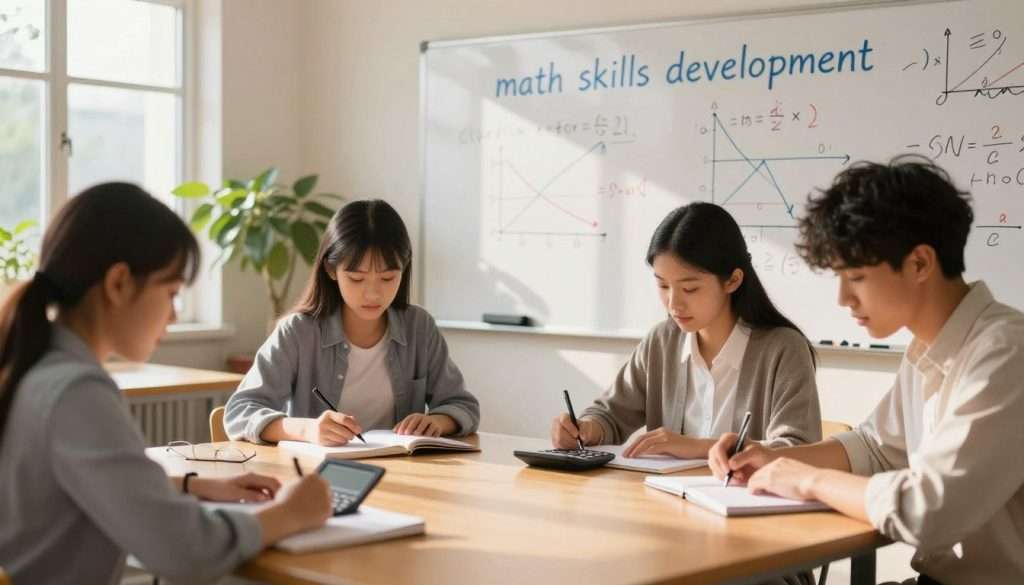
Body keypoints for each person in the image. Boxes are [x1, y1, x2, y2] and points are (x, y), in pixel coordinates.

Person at [709, 156, 1024, 585]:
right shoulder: (928, 348)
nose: (843, 299)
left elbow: (931, 511)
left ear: (919, 263)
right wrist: (774, 458)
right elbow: (875, 447)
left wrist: (808, 481)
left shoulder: (1006, 352)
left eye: (855, 277)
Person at [0, 183, 332, 585]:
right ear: (118, 283)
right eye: (172, 293)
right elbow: (187, 553)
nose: (174, 316)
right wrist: (291, 513)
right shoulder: (76, 392)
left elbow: (84, 486)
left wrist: (195, 485)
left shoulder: (35, 366)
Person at [552, 202, 821, 459]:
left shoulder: (784, 350)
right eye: (663, 286)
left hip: (743, 502)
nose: (673, 304)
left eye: (690, 288)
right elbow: (610, 415)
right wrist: (585, 429)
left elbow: (798, 449)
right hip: (664, 503)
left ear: (733, 280)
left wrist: (697, 447)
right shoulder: (661, 342)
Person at [225, 199, 480, 445]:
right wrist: (307, 429)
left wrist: (437, 421)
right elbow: (240, 412)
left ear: (404, 268)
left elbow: (462, 405)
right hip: (318, 476)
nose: (373, 294)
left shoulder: (419, 327)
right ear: (330, 270)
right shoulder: (298, 332)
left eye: (388, 278)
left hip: (401, 472)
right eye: (357, 279)